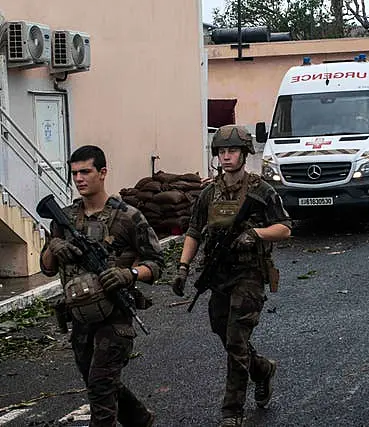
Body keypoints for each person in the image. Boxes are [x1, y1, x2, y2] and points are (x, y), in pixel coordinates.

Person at [171, 125, 291, 427]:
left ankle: (232, 411)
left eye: (232, 151)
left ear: (244, 153)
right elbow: (194, 231)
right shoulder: (209, 192)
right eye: (222, 152)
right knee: (223, 333)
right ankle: (262, 369)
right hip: (218, 274)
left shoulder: (261, 190)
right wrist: (183, 267)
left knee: (237, 340)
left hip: (249, 274)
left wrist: (254, 233)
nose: (226, 156)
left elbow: (285, 228)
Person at [40, 145, 163, 427]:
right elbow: (46, 269)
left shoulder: (128, 217)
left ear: (103, 173)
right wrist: (54, 246)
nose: (79, 178)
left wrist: (129, 274)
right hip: (81, 318)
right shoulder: (65, 218)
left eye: (86, 171)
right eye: (74, 173)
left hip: (115, 316)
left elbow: (156, 263)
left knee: (100, 386)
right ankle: (140, 419)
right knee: (97, 380)